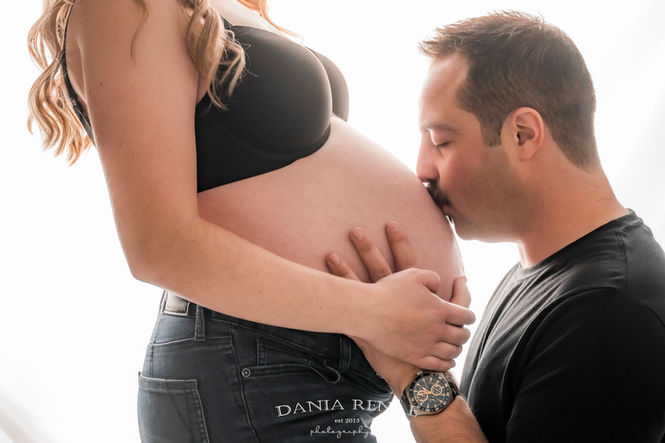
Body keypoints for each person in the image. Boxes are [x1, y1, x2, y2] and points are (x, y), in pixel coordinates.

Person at [26, 0, 476, 441]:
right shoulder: (125, 6)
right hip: (254, 363)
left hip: (313, 361)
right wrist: (376, 312)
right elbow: (157, 246)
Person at [326, 11, 665, 443]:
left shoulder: (610, 312)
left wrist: (410, 368)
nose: (422, 168)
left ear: (523, 134)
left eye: (442, 141)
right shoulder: (543, 274)